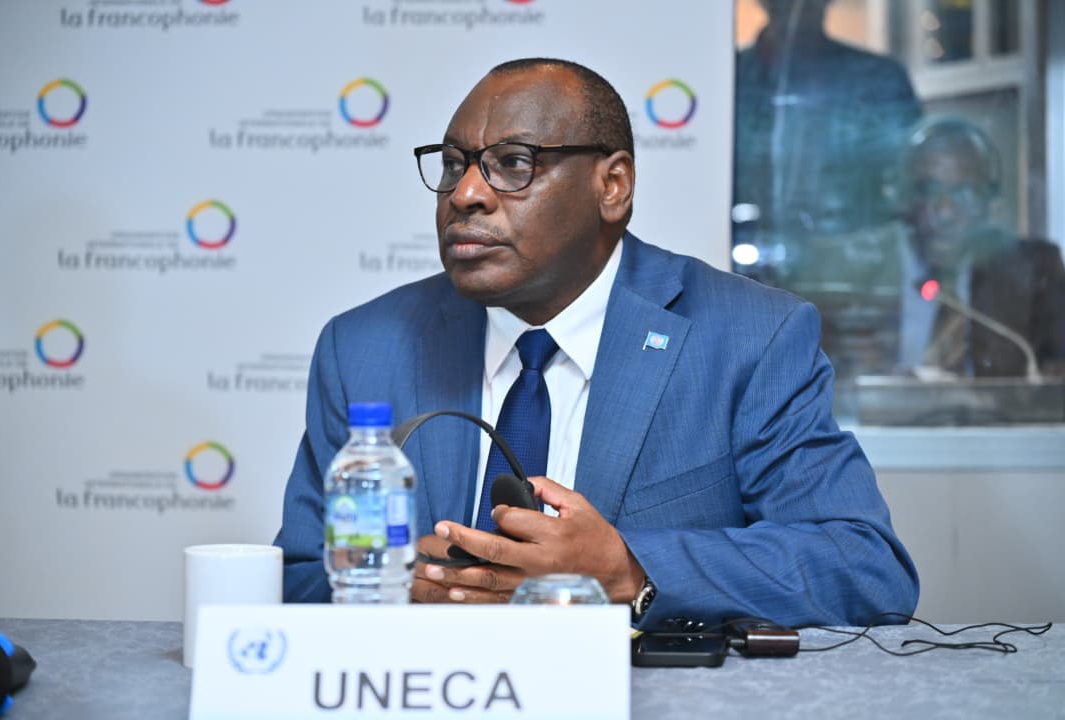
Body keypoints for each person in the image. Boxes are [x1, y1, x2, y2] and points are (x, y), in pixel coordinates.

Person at [273, 57, 918, 629]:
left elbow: (863, 567)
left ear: (612, 186)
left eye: (513, 164)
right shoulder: (364, 348)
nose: (465, 194)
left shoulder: (748, 339)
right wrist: (400, 593)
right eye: (452, 165)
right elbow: (299, 577)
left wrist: (627, 570)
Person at [732, 0, 922, 379]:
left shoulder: (879, 81)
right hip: (745, 282)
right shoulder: (727, 77)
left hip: (856, 289)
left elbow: (913, 186)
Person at [893, 117, 1065, 378]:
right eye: (930, 191)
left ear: (990, 203)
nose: (945, 212)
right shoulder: (863, 270)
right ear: (906, 198)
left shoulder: (1034, 269)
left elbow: (1056, 377)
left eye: (966, 193)